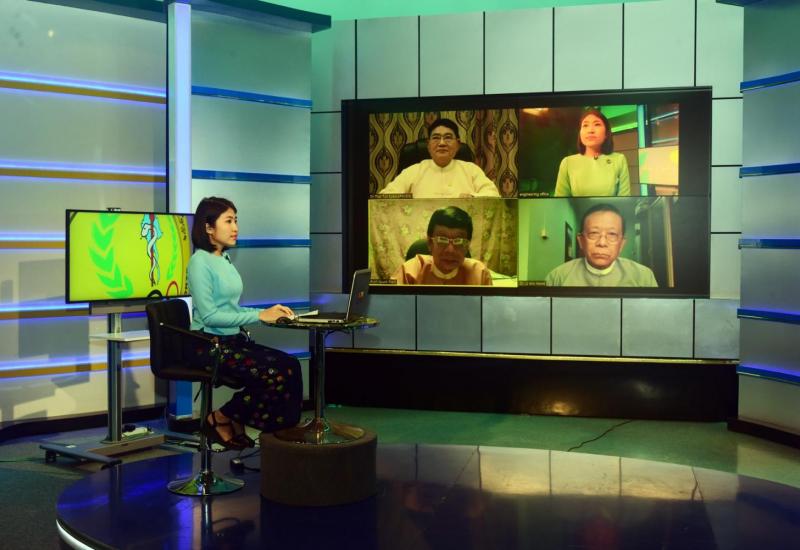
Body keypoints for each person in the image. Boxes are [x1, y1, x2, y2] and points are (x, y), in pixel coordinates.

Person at [186, 196, 302, 450]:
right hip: (210, 345)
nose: (235, 228)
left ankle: (274, 431)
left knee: (290, 365)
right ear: (208, 227)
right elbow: (211, 317)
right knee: (274, 374)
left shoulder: (223, 259)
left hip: (232, 341)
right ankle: (222, 417)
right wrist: (260, 316)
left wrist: (268, 312)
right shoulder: (199, 262)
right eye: (228, 221)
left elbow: (231, 309)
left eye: (236, 221)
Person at [379, 118, 501, 198]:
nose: (442, 143)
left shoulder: (471, 170)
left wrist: (472, 197)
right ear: (428, 145)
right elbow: (385, 196)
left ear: (458, 144)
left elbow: (493, 194)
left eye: (448, 137)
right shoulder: (413, 171)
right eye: (436, 138)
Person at [545, 204, 657, 287]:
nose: (602, 243)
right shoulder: (557, 277)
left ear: (622, 244)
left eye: (612, 234)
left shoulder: (644, 277)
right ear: (581, 241)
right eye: (594, 233)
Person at [392, 206, 493, 285]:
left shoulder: (480, 274)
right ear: (430, 243)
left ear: (467, 246)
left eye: (459, 241)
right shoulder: (410, 272)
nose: (450, 250)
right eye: (442, 240)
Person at [554, 109, 631, 197]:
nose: (590, 130)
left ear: (606, 133)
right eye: (585, 125)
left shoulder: (619, 160)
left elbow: (625, 199)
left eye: (597, 124)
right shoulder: (568, 163)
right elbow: (560, 201)